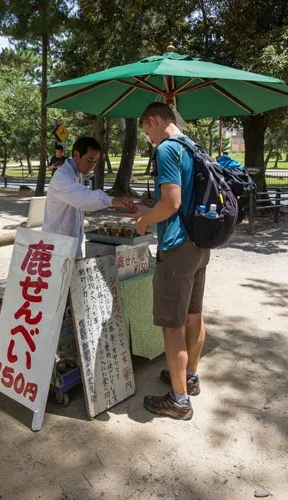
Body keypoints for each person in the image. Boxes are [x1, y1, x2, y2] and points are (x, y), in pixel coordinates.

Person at [135, 103, 210, 421]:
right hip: (200, 244)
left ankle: (179, 400)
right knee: (194, 316)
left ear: (153, 120)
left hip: (177, 248)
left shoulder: (167, 148)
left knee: (173, 327)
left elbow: (171, 203)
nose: (149, 139)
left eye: (146, 132)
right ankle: (189, 377)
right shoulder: (193, 146)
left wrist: (144, 221)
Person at [43, 136, 135, 259]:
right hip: (57, 245)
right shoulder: (62, 177)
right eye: (89, 160)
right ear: (76, 155)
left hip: (70, 241)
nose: (92, 165)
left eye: (96, 161)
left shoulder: (77, 173)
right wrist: (111, 200)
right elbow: (83, 197)